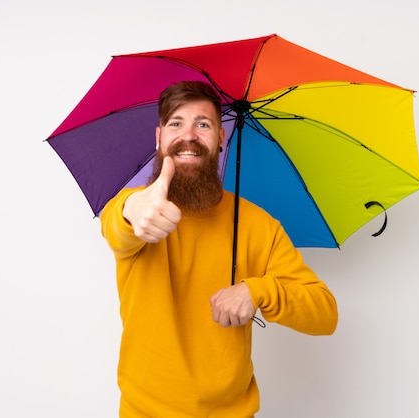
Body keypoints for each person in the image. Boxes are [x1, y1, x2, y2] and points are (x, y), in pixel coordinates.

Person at [100, 81, 338, 417]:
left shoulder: (259, 225)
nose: (189, 135)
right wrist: (133, 211)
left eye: (203, 124)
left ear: (221, 138)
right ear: (158, 137)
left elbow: (324, 314)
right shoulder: (135, 209)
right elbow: (118, 226)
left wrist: (258, 290)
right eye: (176, 123)